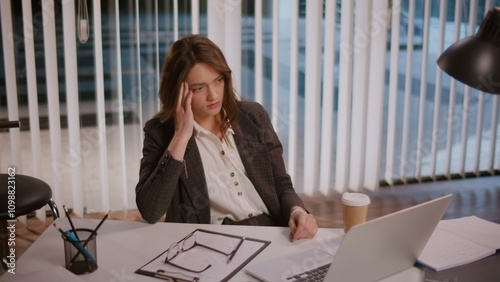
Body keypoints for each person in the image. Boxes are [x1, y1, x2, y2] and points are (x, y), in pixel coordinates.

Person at [135, 34, 317, 240]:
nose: (213, 95)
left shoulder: (253, 116)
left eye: (218, 80)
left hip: (273, 232)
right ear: (178, 91)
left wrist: (297, 212)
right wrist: (180, 137)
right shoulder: (160, 132)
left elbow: (281, 183)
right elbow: (150, 211)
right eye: (199, 88)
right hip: (212, 241)